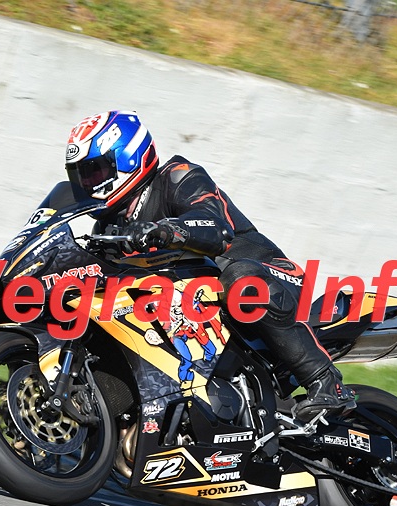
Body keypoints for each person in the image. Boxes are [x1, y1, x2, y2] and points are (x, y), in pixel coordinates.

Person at [64, 110, 355, 421]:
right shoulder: (107, 228)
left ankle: (326, 382)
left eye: (95, 171)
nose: (88, 183)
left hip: (268, 275)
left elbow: (215, 225)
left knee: (243, 281)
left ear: (128, 157)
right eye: (81, 176)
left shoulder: (178, 177)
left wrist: (167, 230)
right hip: (198, 307)